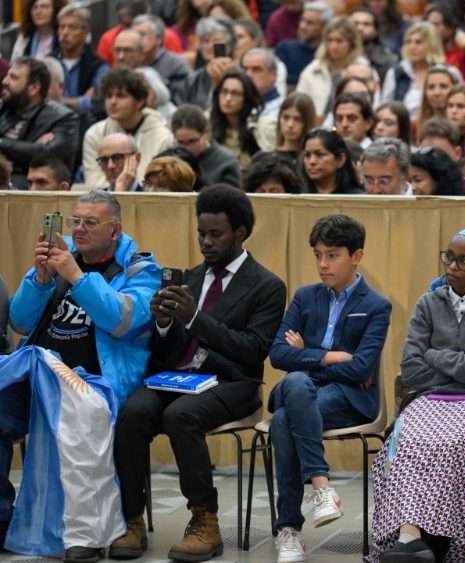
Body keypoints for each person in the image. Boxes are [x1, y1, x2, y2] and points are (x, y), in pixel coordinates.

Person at [110, 185, 286, 562]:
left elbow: (253, 350)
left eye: (215, 234)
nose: (206, 242)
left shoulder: (267, 285)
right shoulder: (188, 277)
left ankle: (204, 520)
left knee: (180, 416)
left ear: (240, 233)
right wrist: (161, 323)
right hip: (176, 378)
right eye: (201, 234)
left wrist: (192, 318)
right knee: (132, 412)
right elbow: (167, 351)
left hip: (232, 382)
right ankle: (131, 518)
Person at [2, 190, 159, 563]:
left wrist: (75, 276)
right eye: (75, 220)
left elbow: (124, 321)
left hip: (95, 384)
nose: (79, 229)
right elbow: (20, 321)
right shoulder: (59, 259)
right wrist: (40, 280)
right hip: (40, 378)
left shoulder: (140, 270)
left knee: (80, 415)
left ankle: (84, 532)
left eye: (91, 222)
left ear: (116, 230)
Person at [370, 227, 465, 562]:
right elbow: (411, 369)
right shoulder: (429, 303)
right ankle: (409, 537)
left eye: (463, 261)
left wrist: (437, 355)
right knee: (407, 439)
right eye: (449, 257)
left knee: (455, 442)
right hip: (430, 400)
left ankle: (448, 539)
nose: (452, 266)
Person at [268, 214, 391, 562]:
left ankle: (288, 530)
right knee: (294, 383)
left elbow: (363, 367)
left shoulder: (376, 306)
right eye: (318, 254)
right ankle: (321, 486)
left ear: (357, 256)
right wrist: (331, 357)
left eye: (332, 255)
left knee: (283, 419)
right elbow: (278, 354)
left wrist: (306, 354)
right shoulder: (305, 297)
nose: (322, 264)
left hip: (347, 399)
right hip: (304, 390)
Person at [82, 68, 173, 188]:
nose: (112, 102)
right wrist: (120, 189)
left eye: (121, 96)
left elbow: (160, 184)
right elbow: (94, 181)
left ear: (140, 101)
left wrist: (129, 189)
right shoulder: (94, 134)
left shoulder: (163, 136)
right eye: (109, 96)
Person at [0, 57, 79, 189]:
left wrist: (2, 143)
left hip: (32, 188)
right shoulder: (3, 108)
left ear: (34, 87)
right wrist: (30, 148)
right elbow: (35, 152)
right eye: (7, 75)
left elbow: (47, 156)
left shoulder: (63, 118)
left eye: (13, 78)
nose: (4, 81)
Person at [210, 70, 276, 177]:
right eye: (224, 91)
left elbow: (272, 167)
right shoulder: (208, 124)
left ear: (247, 97)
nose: (228, 98)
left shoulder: (264, 125)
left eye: (235, 93)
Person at [297, 17, 366, 119]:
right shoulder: (313, 69)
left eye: (339, 41)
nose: (333, 46)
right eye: (330, 40)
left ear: (352, 43)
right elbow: (300, 103)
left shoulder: (363, 70)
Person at [380, 22, 448, 120]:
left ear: (432, 44)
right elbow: (385, 106)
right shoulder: (396, 73)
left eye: (418, 42)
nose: (412, 47)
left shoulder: (447, 72)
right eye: (408, 42)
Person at [54, 4, 109, 115]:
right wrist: (79, 101)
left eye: (72, 27)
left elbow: (96, 103)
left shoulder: (99, 66)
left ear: (86, 32)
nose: (65, 33)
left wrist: (59, 101)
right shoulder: (49, 61)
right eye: (62, 27)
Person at [170, 104, 242, 187]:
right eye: (181, 143)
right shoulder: (171, 157)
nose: (186, 148)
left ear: (206, 134)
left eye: (192, 141)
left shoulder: (226, 162)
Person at [133, 14, 191, 102]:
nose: (137, 39)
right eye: (134, 35)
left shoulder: (176, 65)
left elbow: (182, 101)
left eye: (142, 34)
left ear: (158, 39)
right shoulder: (128, 59)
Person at [275, 1, 332, 88]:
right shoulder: (285, 48)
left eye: (310, 23)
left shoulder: (330, 54)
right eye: (302, 20)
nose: (302, 26)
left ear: (324, 27)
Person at [302, 128, 363, 194]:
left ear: (340, 160)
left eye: (319, 154)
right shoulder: (296, 197)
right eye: (307, 155)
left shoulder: (356, 198)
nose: (312, 161)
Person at [242, 48, 284, 117]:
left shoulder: (283, 111)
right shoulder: (236, 104)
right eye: (245, 69)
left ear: (273, 75)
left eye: (256, 70)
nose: (248, 75)